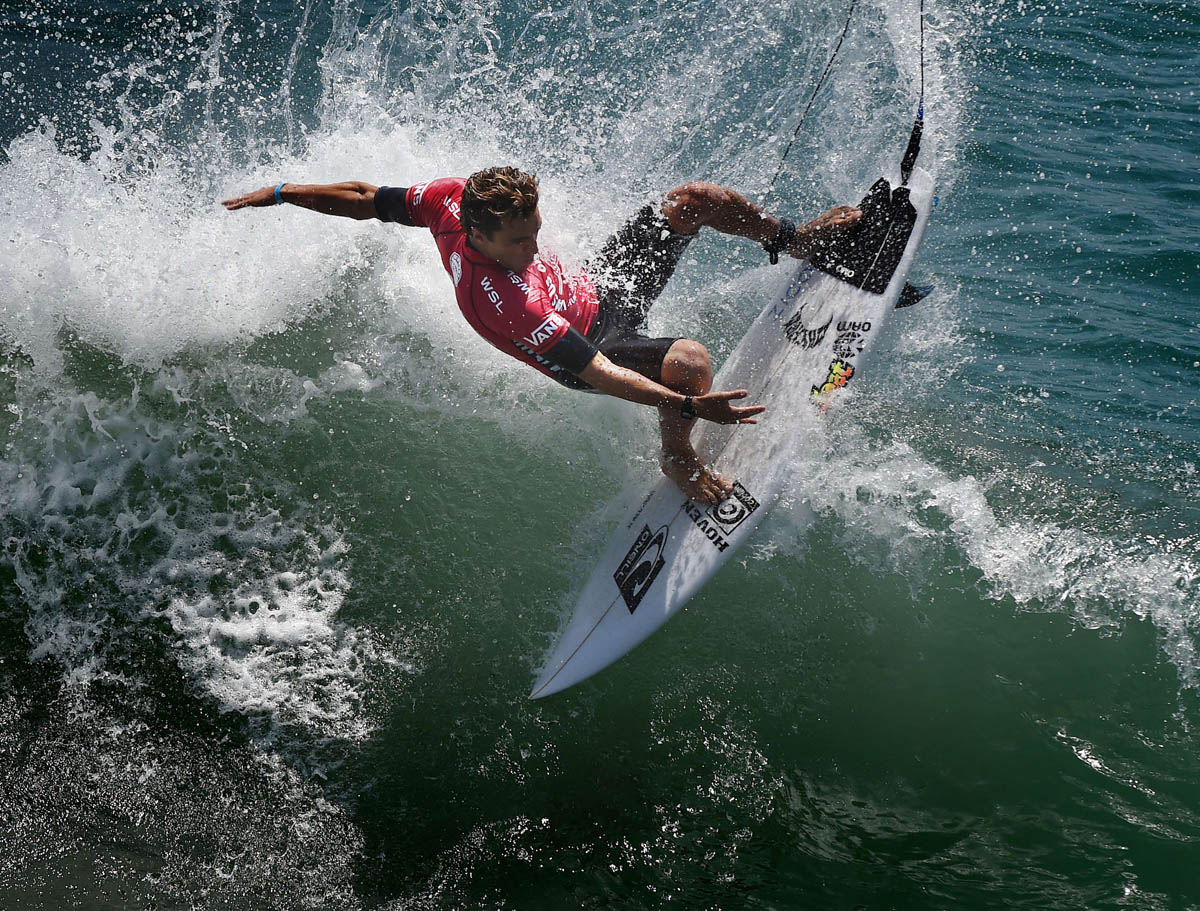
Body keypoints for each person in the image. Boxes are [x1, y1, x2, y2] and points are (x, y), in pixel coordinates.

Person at [222, 169, 860, 504]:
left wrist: (283, 192)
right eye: (520, 243)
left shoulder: (451, 199)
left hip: (599, 293)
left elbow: (365, 197)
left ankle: (795, 240)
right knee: (690, 364)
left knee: (691, 201)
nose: (533, 248)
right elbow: (601, 375)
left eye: (535, 232)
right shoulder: (504, 300)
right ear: (479, 237)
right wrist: (692, 408)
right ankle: (677, 455)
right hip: (584, 347)